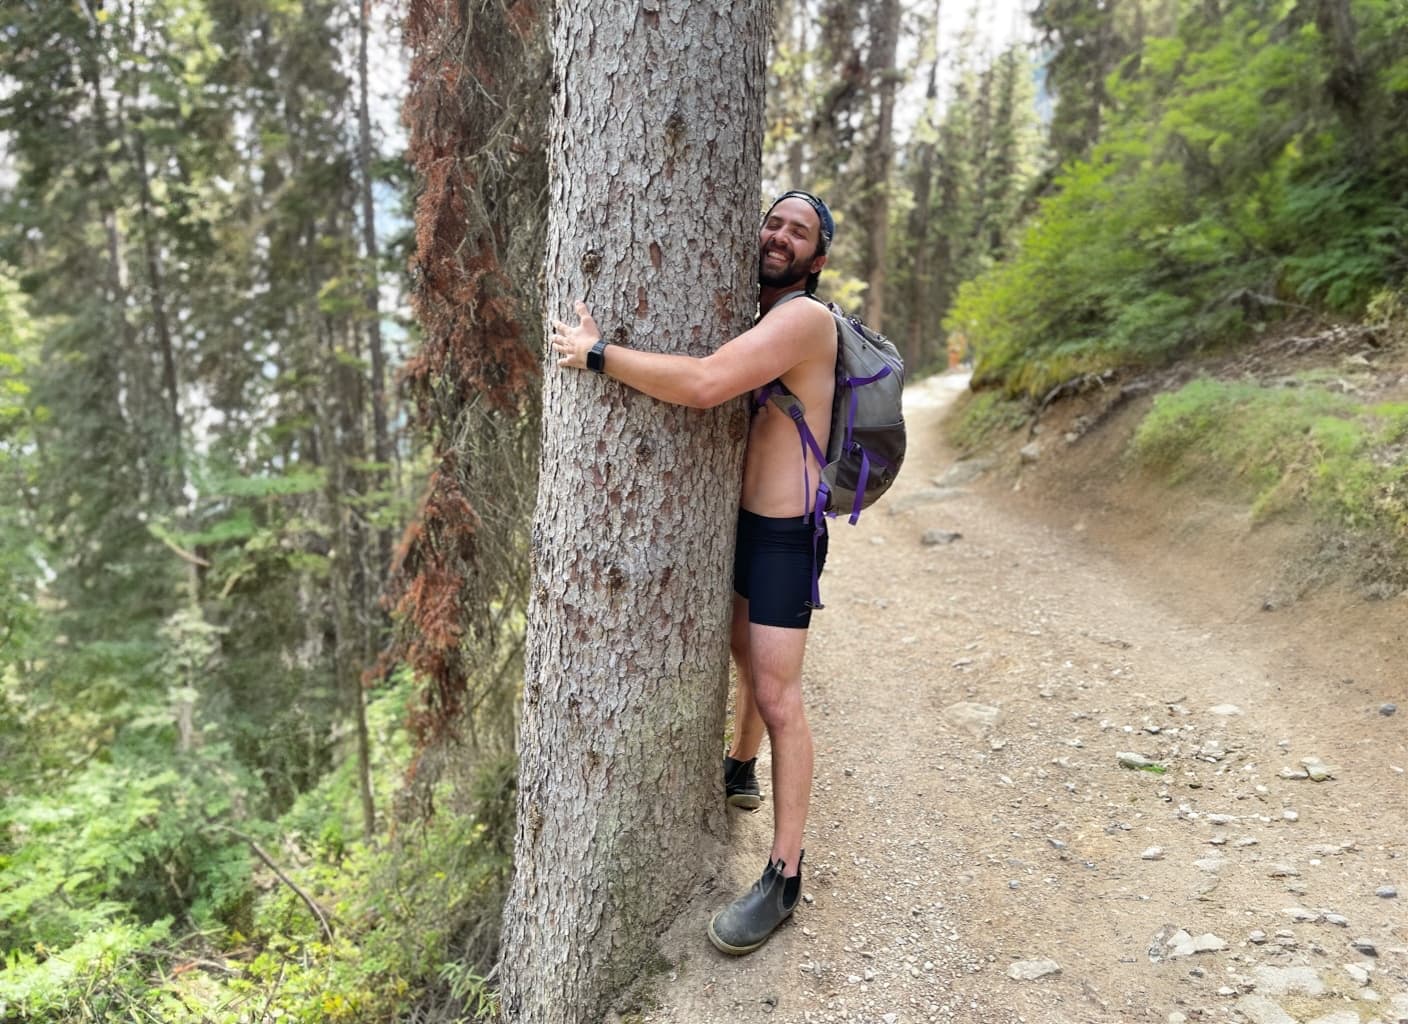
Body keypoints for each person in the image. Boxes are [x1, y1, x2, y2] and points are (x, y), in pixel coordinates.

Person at [550, 190, 838, 955]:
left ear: (818, 257)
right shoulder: (761, 314)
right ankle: (740, 768)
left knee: (779, 692)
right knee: (746, 657)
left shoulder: (804, 320)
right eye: (772, 221)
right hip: (738, 525)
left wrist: (597, 355)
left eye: (797, 231)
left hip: (782, 535)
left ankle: (784, 875)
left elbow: (709, 384)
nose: (778, 236)